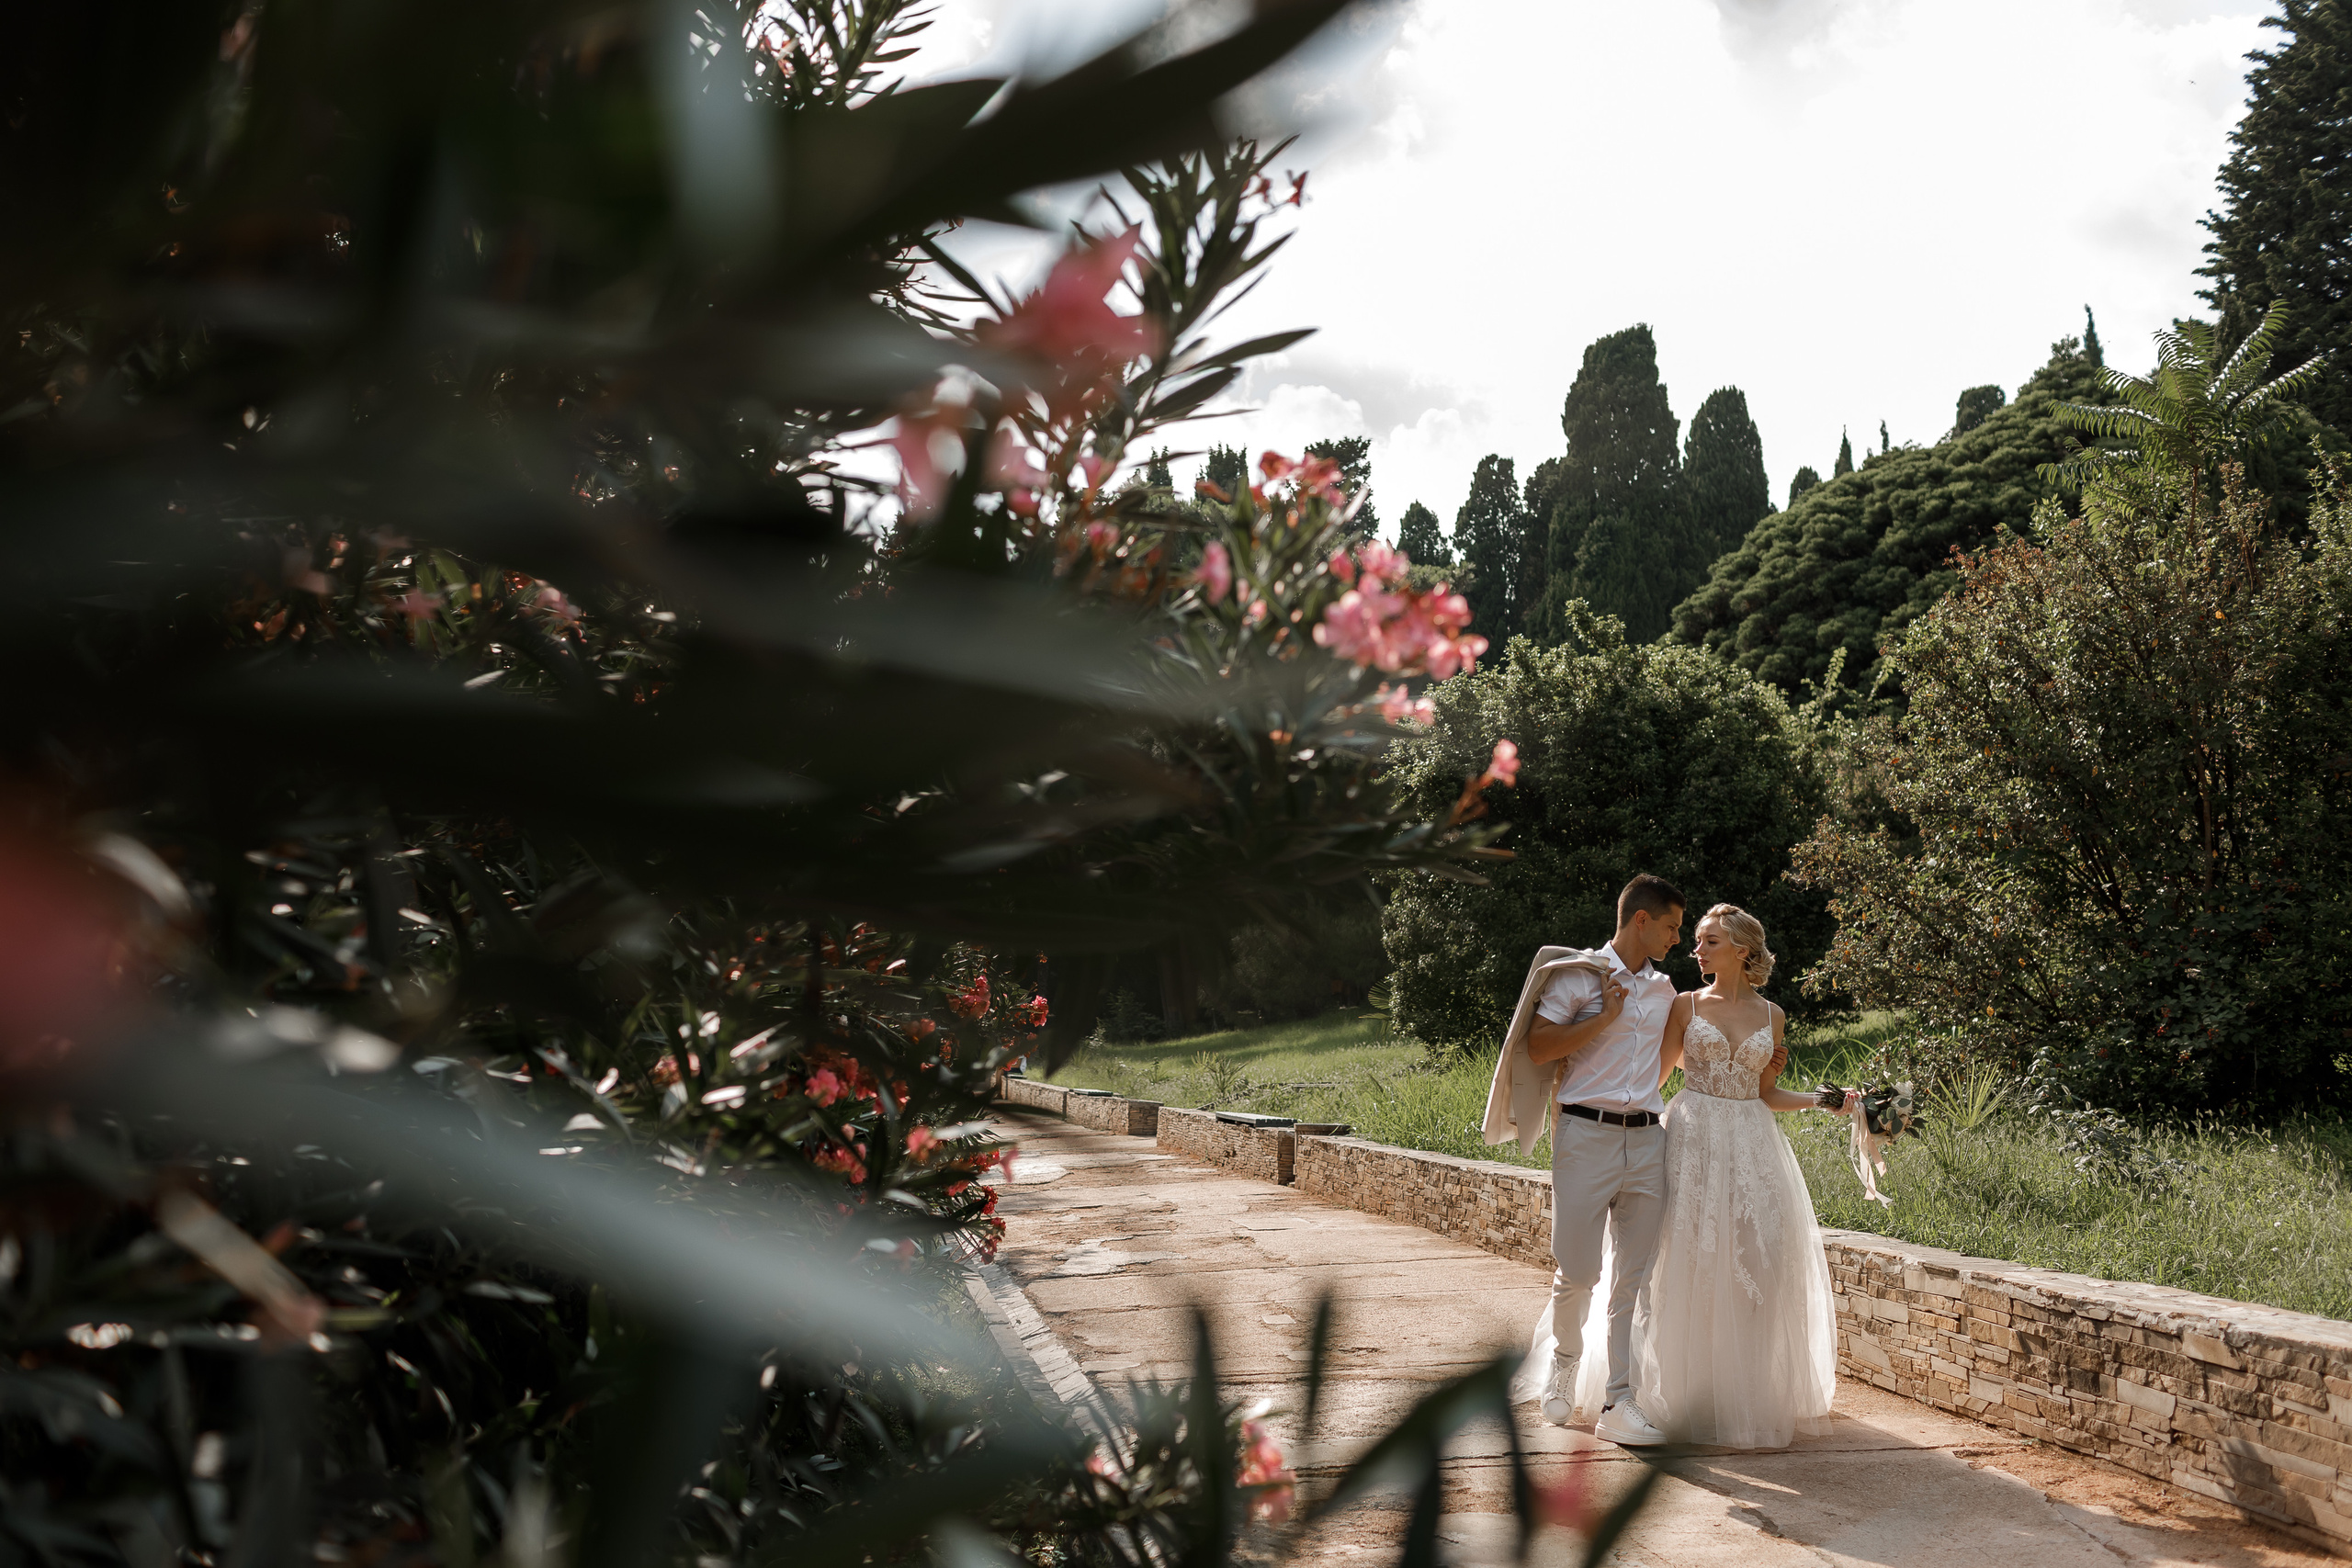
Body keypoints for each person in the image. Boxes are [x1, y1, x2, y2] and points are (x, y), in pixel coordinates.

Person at [1482, 874, 1705, 1447]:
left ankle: (1620, 1402)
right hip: (1585, 1136)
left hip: (1647, 1141)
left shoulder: (1664, 991)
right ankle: (1563, 1363)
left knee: (1633, 1281)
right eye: (1673, 926)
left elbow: (1670, 1060)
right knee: (1578, 1271)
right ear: (1641, 920)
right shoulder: (1581, 976)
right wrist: (1601, 1018)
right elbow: (1536, 1046)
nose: (1677, 938)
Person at [1630, 903, 1854, 1449]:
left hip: (1753, 1144)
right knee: (1683, 1255)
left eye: (1708, 941)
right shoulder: (1684, 1006)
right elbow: (1653, 1078)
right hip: (1692, 1137)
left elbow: (1766, 1094)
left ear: (1741, 949)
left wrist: (1828, 1101)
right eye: (1698, 940)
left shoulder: (1773, 1015)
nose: (1696, 949)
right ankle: (1676, 1394)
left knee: (1756, 1262)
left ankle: (1739, 1391)